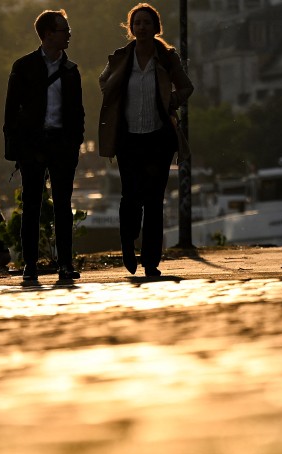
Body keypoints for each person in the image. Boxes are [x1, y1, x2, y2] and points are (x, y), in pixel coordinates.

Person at [98, 3, 194, 277]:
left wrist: (170, 102)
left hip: (158, 139)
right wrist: (115, 100)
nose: (141, 27)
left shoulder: (166, 58)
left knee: (154, 200)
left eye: (146, 23)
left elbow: (187, 86)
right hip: (128, 139)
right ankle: (128, 244)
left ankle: (151, 261)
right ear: (131, 28)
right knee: (130, 198)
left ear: (155, 28)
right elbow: (103, 81)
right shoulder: (120, 58)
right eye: (137, 23)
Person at [4, 9, 85, 284]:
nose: (69, 36)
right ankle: (30, 265)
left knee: (63, 205)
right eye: (65, 31)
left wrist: (75, 143)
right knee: (32, 206)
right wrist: (16, 150)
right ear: (48, 34)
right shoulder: (24, 67)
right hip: (32, 146)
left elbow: (77, 112)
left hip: (62, 145)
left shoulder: (71, 71)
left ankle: (64, 263)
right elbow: (11, 112)